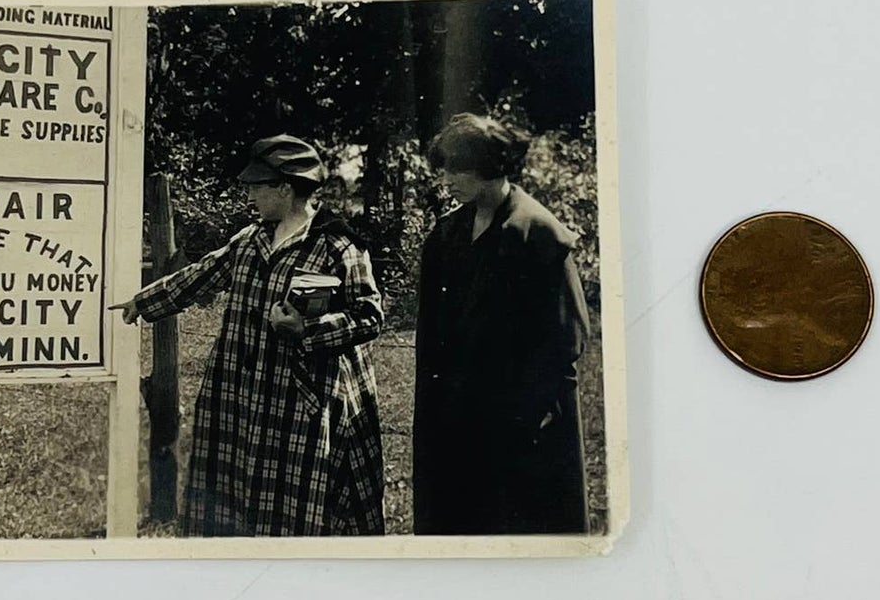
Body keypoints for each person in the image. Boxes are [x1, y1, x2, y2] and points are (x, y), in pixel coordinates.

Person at [114, 135, 385, 537]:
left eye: (258, 187)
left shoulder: (337, 246)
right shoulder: (251, 239)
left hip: (299, 403)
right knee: (236, 493)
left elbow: (368, 316)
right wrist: (143, 302)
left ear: (285, 188)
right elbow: (201, 275)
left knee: (293, 503)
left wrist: (307, 329)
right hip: (241, 396)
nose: (250, 195)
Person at [413, 113, 591, 536]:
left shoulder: (537, 235)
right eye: (444, 169)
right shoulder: (447, 233)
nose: (447, 180)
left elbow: (567, 340)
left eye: (457, 168)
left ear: (490, 166)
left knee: (515, 528)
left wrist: (529, 414)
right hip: (455, 413)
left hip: (518, 422)